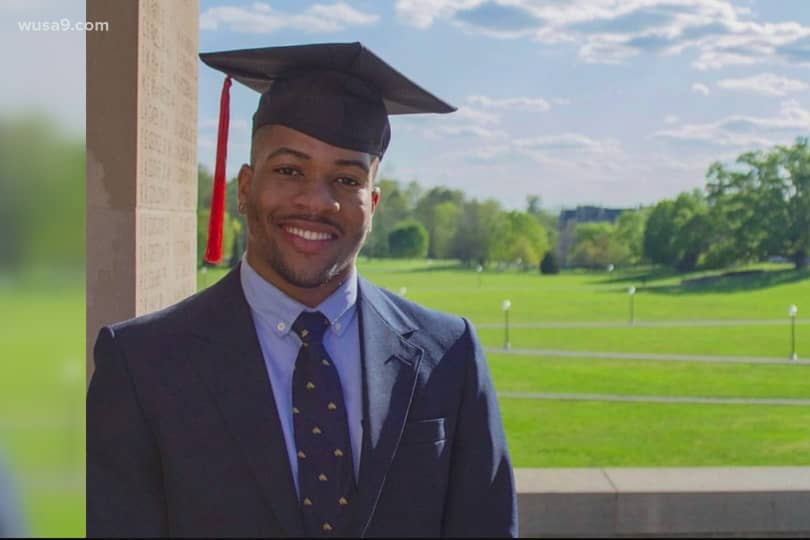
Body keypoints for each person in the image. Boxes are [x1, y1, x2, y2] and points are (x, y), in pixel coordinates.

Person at [87, 42, 518, 537]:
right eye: (289, 170)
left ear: (373, 204)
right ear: (245, 188)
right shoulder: (143, 364)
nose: (316, 202)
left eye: (347, 179)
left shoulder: (449, 356)